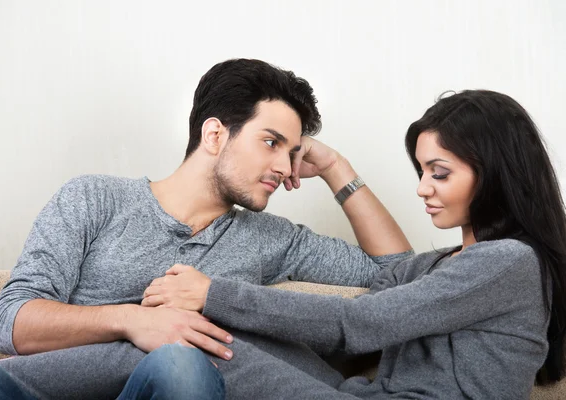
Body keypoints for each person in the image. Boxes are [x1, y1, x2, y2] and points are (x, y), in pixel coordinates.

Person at [0, 59, 411, 400]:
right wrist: (133, 321)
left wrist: (337, 169)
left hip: (180, 386)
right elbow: (12, 322)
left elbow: (401, 276)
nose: (283, 166)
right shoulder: (94, 198)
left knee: (181, 365)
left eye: (293, 151)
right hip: (46, 391)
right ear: (214, 135)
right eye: (271, 142)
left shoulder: (272, 238)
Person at [153, 90, 566, 399]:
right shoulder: (436, 266)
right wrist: (336, 168)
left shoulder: (511, 262)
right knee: (203, 335)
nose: (422, 189)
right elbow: (390, 274)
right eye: (421, 172)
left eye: (439, 173)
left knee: (195, 344)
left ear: (495, 173)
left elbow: (362, 322)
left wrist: (213, 293)